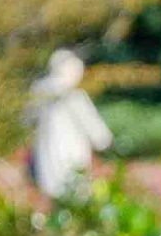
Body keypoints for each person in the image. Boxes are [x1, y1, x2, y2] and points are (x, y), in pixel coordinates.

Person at [26, 48, 113, 199]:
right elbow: (98, 134)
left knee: (51, 195)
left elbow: (26, 120)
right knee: (73, 197)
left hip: (46, 159)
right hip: (72, 156)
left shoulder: (39, 91)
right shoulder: (74, 95)